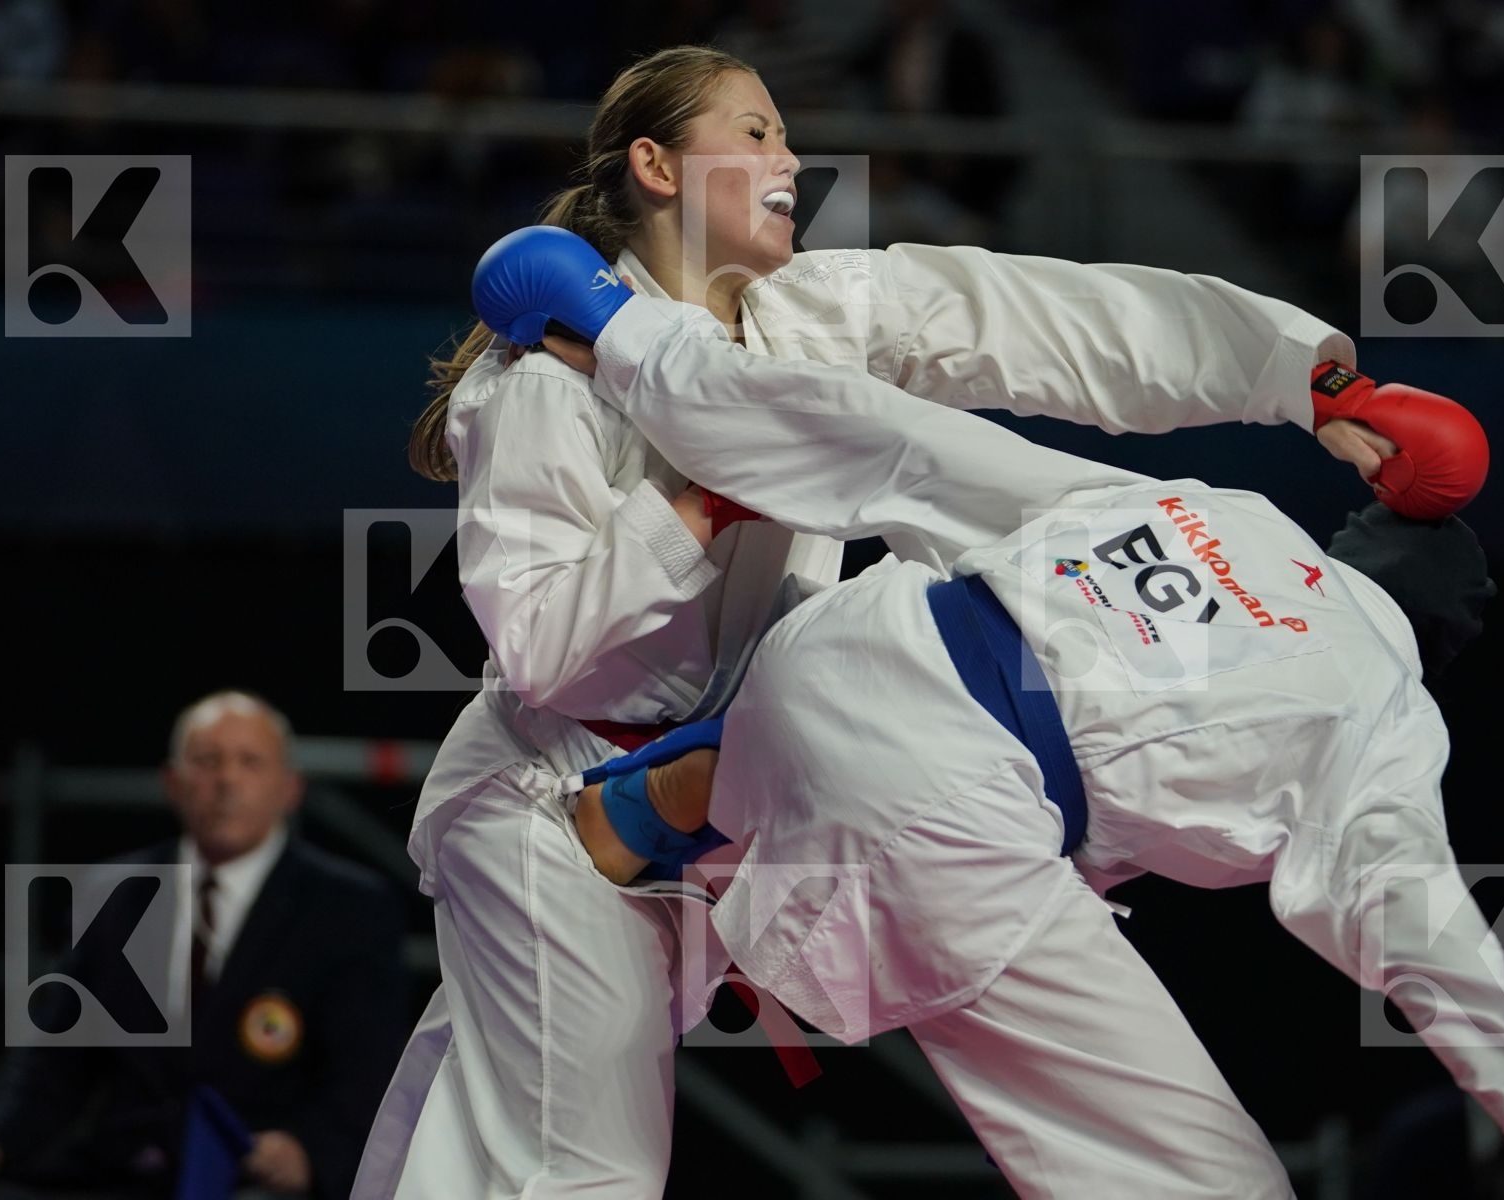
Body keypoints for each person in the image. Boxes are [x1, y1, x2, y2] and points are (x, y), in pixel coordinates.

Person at [358, 44, 1403, 1198]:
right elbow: (539, 644)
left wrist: (1295, 374)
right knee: (583, 1170)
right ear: (656, 166)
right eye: (754, 133)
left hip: (711, 808)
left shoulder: (821, 314)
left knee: (462, 1152)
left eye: (786, 136)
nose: (789, 160)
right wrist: (697, 505)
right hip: (549, 802)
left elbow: (1047, 319)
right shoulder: (542, 381)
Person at [476, 240, 1504, 1199]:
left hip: (834, 661)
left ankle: (695, 784)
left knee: (931, 574)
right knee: (1205, 1179)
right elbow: (1420, 933)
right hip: (941, 825)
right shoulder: (1386, 713)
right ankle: (724, 804)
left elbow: (904, 448)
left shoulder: (1214, 511)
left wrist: (619, 326)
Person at [0, 691, 409, 1199]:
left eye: (250, 762)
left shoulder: (348, 907)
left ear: (290, 787)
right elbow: (55, 1061)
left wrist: (310, 1153)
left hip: (253, 1183)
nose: (227, 780)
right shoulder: (116, 893)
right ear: (172, 782)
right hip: (121, 1174)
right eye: (208, 761)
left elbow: (367, 1072)